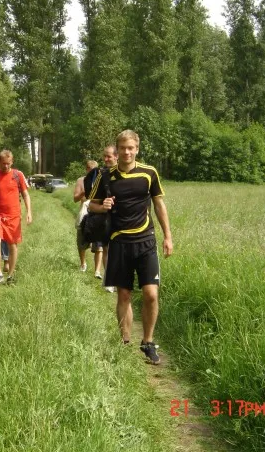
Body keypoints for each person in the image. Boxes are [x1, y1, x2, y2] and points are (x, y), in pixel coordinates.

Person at [88, 130, 173, 365]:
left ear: (137, 149)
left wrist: (168, 236)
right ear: (117, 150)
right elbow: (91, 205)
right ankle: (125, 341)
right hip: (119, 242)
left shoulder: (149, 173)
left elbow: (159, 205)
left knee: (151, 294)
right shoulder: (106, 176)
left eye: (131, 148)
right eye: (123, 148)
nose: (127, 152)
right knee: (124, 295)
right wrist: (103, 206)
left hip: (146, 240)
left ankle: (148, 342)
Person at [0, 149, 32, 286]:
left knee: (12, 245)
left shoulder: (18, 175)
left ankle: (10, 275)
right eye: (3, 163)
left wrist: (29, 212)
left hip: (13, 216)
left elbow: (25, 194)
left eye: (8, 163)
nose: (6, 166)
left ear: (12, 162)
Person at [85, 145, 118, 290]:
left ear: (117, 156)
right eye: (104, 156)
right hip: (107, 220)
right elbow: (91, 204)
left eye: (108, 156)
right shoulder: (102, 174)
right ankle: (110, 281)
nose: (105, 159)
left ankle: (120, 280)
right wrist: (103, 208)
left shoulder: (131, 173)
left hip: (126, 221)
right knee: (107, 249)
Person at [73, 160, 103, 275]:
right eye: (90, 169)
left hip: (98, 213)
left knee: (99, 243)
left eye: (95, 170)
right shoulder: (81, 180)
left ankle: (97, 271)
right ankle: (83, 264)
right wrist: (84, 192)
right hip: (84, 213)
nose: (92, 172)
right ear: (86, 169)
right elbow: (75, 199)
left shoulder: (101, 180)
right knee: (81, 241)